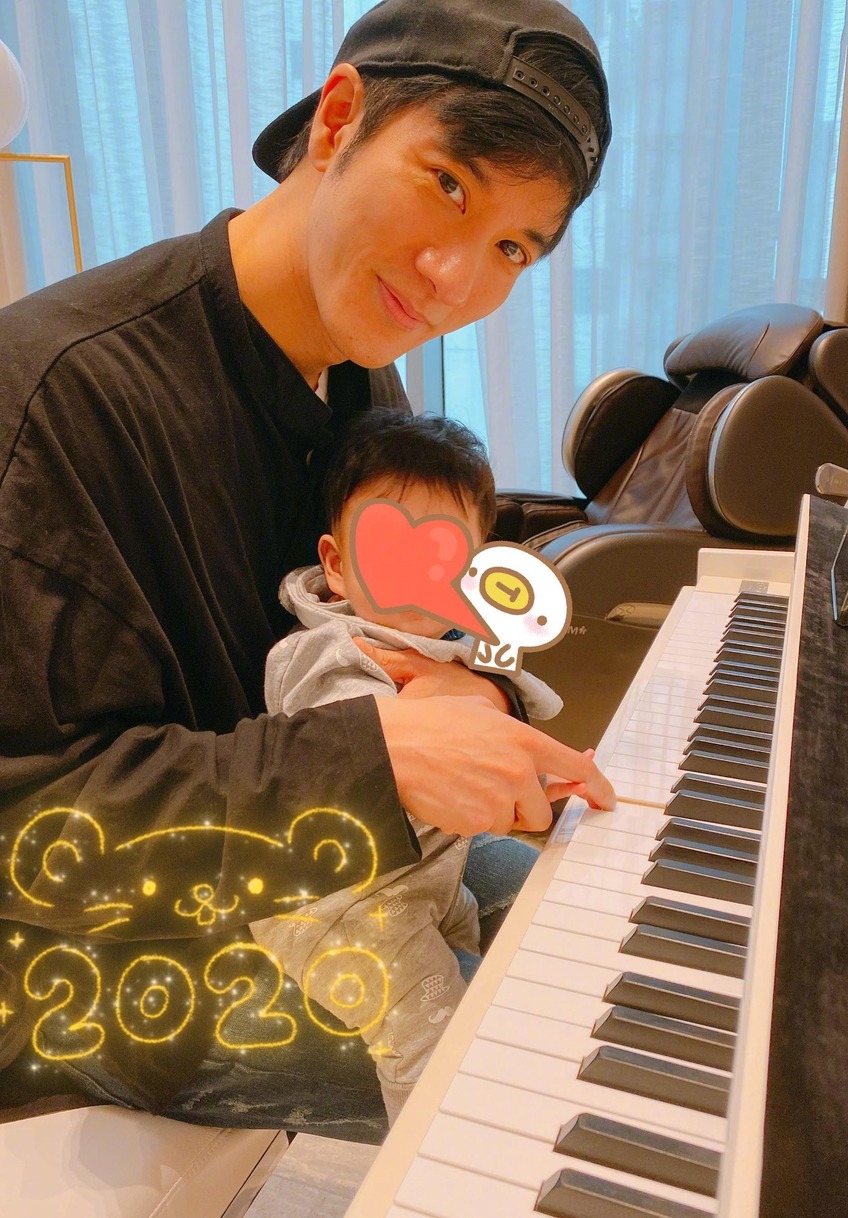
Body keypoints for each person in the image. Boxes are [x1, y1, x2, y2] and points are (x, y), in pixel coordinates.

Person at [0, 0, 614, 1140]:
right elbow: (34, 838)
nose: (454, 279)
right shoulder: (56, 397)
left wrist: (460, 691)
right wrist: (375, 759)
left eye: (512, 249)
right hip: (93, 969)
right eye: (449, 184)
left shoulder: (358, 381)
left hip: (310, 872)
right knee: (534, 1067)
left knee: (599, 917)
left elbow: (392, 621)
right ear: (339, 119)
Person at [252, 409, 566, 1124]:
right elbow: (357, 753)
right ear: (337, 564)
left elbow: (512, 720)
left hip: (428, 869)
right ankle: (434, 1159)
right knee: (436, 1044)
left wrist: (549, 772)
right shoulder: (325, 654)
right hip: (340, 905)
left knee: (531, 894)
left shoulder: (449, 639)